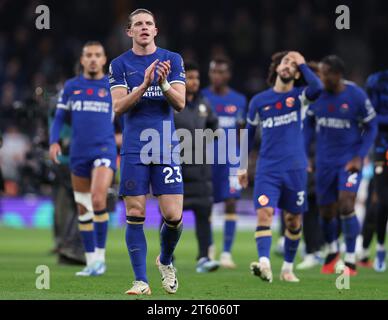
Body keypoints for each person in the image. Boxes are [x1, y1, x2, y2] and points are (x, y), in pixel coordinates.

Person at [109, 9, 186, 295]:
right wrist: (143, 84)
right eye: (138, 24)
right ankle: (141, 281)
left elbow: (180, 103)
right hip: (133, 148)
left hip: (164, 145)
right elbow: (118, 107)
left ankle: (165, 261)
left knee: (173, 215)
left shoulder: (173, 59)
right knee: (136, 211)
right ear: (129, 32)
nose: (144, 27)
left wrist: (163, 82)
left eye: (149, 24)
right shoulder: (119, 65)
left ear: (155, 30)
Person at [238, 51, 323, 283]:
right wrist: (242, 166)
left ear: (297, 74)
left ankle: (287, 267)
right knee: (264, 213)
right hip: (268, 169)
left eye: (293, 65)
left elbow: (318, 88)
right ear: (276, 68)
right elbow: (248, 133)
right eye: (285, 62)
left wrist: (303, 63)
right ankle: (264, 263)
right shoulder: (259, 101)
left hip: (295, 168)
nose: (288, 66)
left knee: (293, 221)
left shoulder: (300, 97)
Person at [304, 55, 377, 276]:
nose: (321, 77)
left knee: (346, 204)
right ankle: (332, 250)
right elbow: (307, 125)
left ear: (337, 75)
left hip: (348, 163)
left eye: (325, 74)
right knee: (326, 211)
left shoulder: (356, 95)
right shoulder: (317, 96)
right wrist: (304, 153)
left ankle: (351, 259)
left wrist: (360, 156)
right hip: (324, 163)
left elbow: (371, 126)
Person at [49, 41, 117, 276]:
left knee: (98, 200)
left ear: (104, 59)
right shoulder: (71, 86)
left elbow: (125, 117)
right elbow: (59, 118)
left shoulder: (112, 85)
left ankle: (100, 257)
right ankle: (90, 262)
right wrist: (54, 141)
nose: (93, 59)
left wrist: (125, 139)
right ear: (82, 59)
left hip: (104, 150)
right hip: (78, 153)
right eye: (88, 55)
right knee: (83, 208)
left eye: (97, 55)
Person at [173, 61, 220, 273]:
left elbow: (213, 126)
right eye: (189, 77)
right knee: (172, 217)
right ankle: (168, 257)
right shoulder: (171, 103)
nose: (193, 82)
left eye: (196, 78)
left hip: (201, 170)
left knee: (204, 215)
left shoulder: (204, 103)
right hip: (177, 169)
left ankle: (203, 257)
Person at [201, 57, 247, 268]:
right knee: (207, 204)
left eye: (221, 72)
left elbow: (242, 133)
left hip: (231, 160)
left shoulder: (239, 100)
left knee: (231, 202)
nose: (217, 76)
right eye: (213, 72)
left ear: (228, 75)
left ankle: (227, 253)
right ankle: (209, 248)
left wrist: (243, 162)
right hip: (207, 158)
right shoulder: (202, 97)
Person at [361, 69, 388, 272]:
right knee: (381, 202)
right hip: (383, 149)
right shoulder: (376, 81)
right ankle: (378, 248)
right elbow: (370, 118)